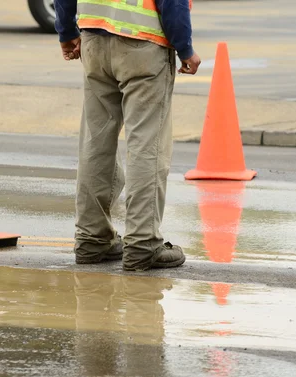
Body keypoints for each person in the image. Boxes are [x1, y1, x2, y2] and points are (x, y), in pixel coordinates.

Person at [54, 0, 201, 271]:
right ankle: (143, 244)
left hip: (94, 39)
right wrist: (185, 48)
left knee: (95, 142)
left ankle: (92, 239)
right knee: (147, 145)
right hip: (143, 45)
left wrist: (65, 31)